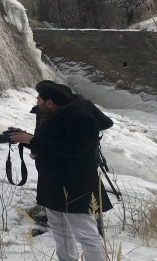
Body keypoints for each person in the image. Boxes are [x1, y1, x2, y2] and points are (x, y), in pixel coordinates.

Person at [10, 83, 112, 261]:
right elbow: (51, 142)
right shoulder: (50, 114)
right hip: (52, 181)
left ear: (50, 103)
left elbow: (73, 150)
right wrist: (29, 142)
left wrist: (34, 140)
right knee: (60, 231)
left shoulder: (82, 118)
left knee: (86, 235)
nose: (37, 102)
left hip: (76, 184)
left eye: (39, 100)